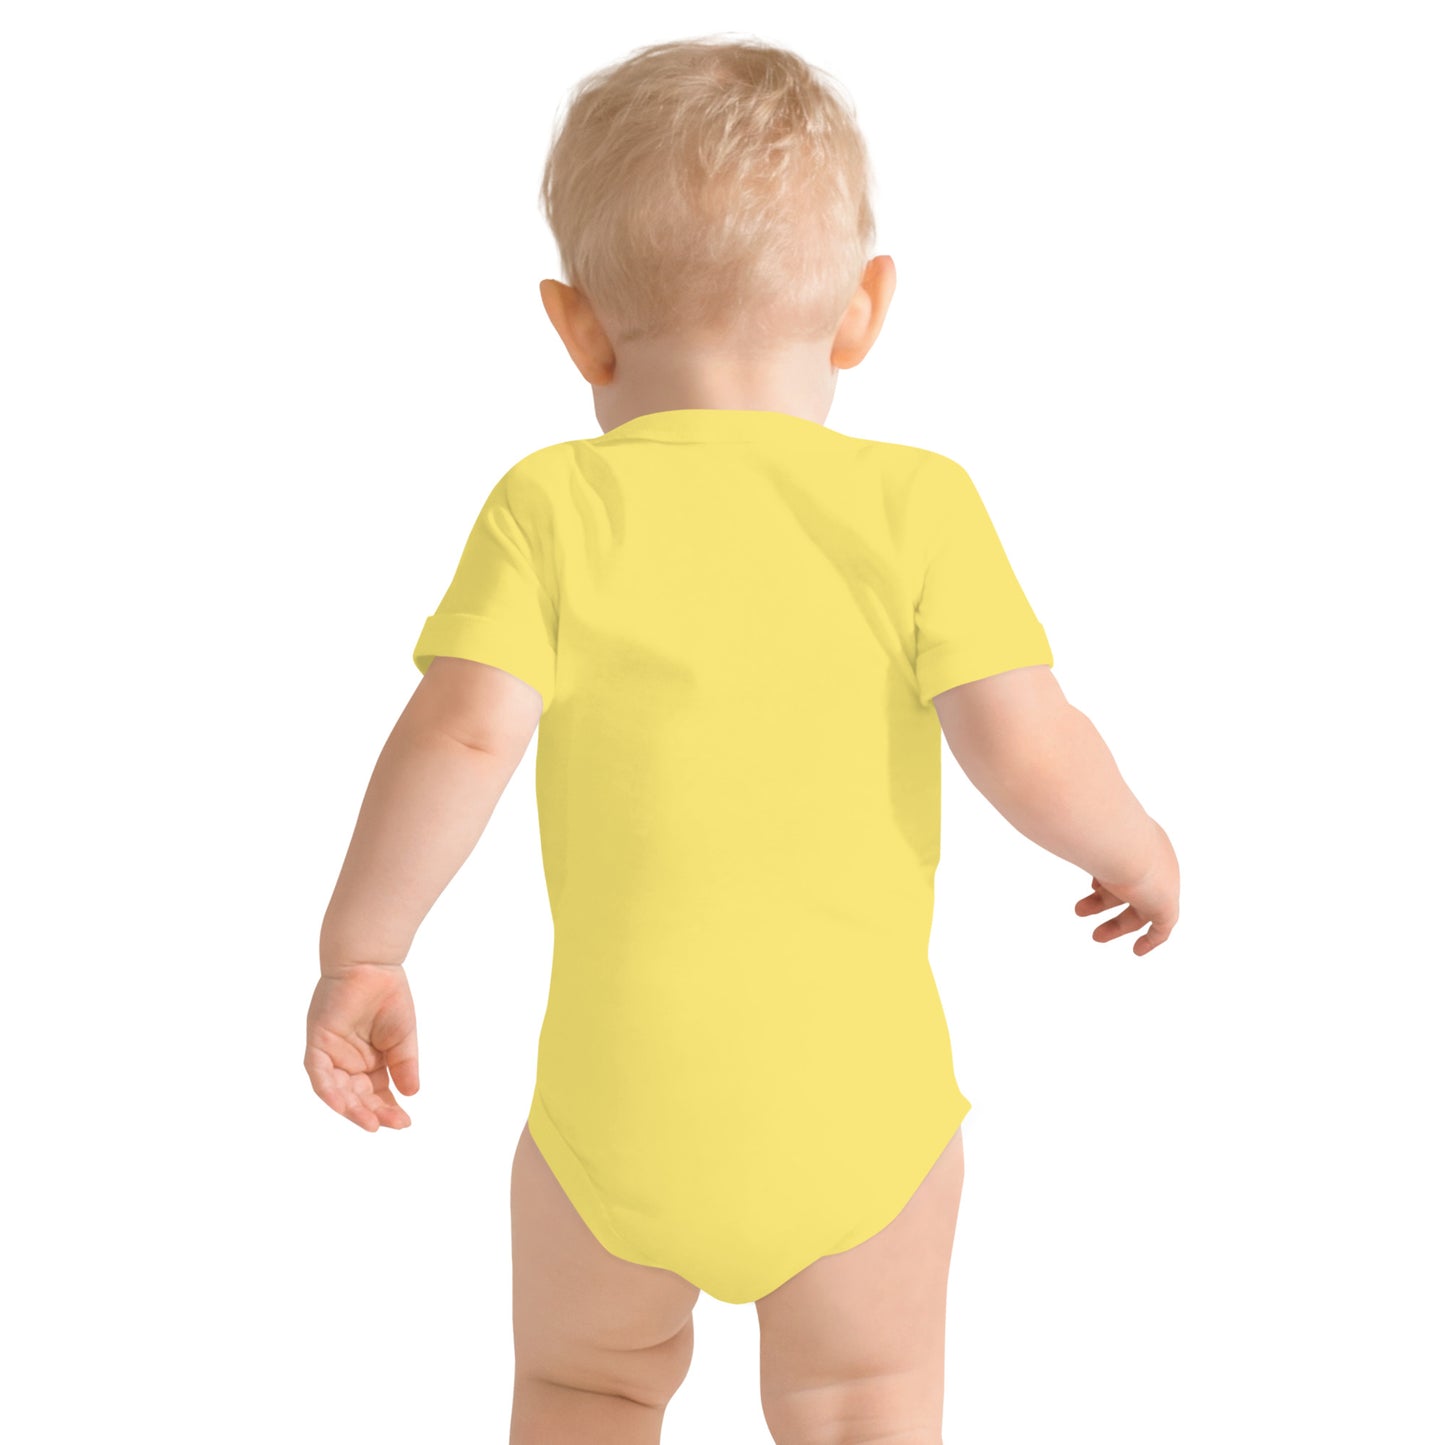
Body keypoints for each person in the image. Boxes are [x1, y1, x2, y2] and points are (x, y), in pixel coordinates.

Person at [304, 34, 1180, 1445]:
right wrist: (1131, 846)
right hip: (860, 1114)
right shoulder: (916, 508)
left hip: (613, 1115)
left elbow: (459, 736)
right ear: (862, 310)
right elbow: (1025, 736)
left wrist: (366, 948)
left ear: (579, 330)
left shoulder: (553, 507)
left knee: (585, 1389)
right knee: (861, 1398)